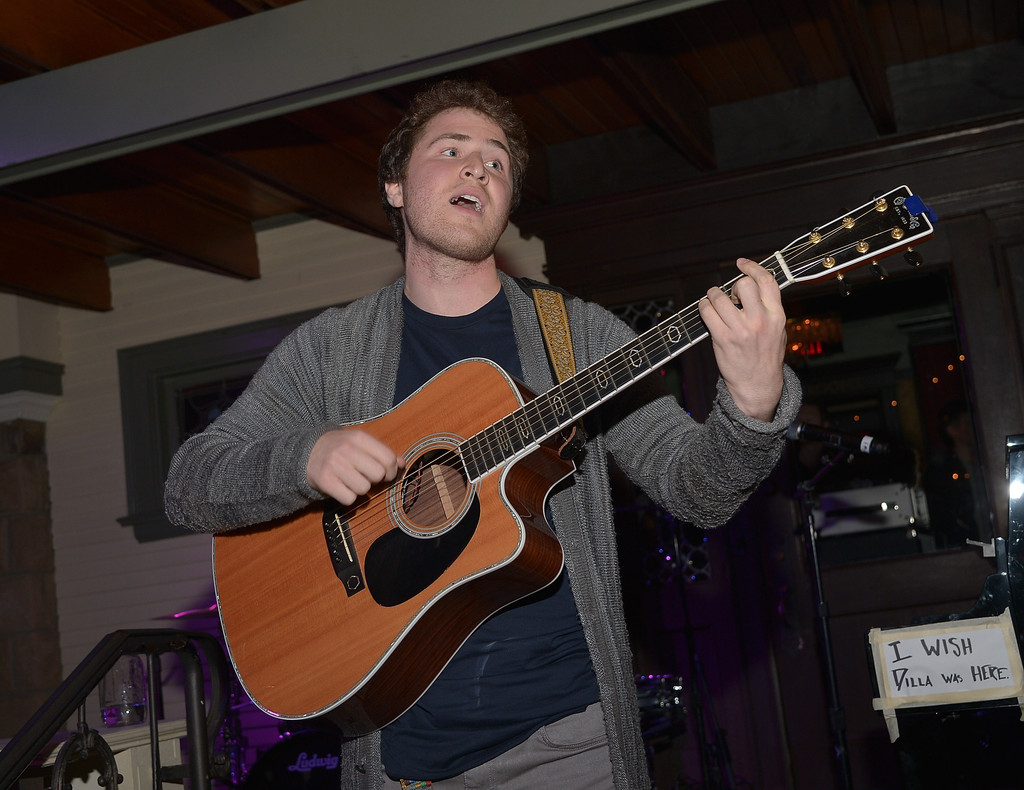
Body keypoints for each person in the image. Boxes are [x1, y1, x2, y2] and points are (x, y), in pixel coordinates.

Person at [164, 80, 802, 790]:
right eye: (453, 150)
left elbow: (697, 490)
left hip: (570, 745)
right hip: (401, 760)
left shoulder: (577, 336)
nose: (480, 169)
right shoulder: (332, 351)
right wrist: (304, 457)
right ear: (397, 187)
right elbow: (191, 483)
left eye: (498, 163)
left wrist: (753, 403)